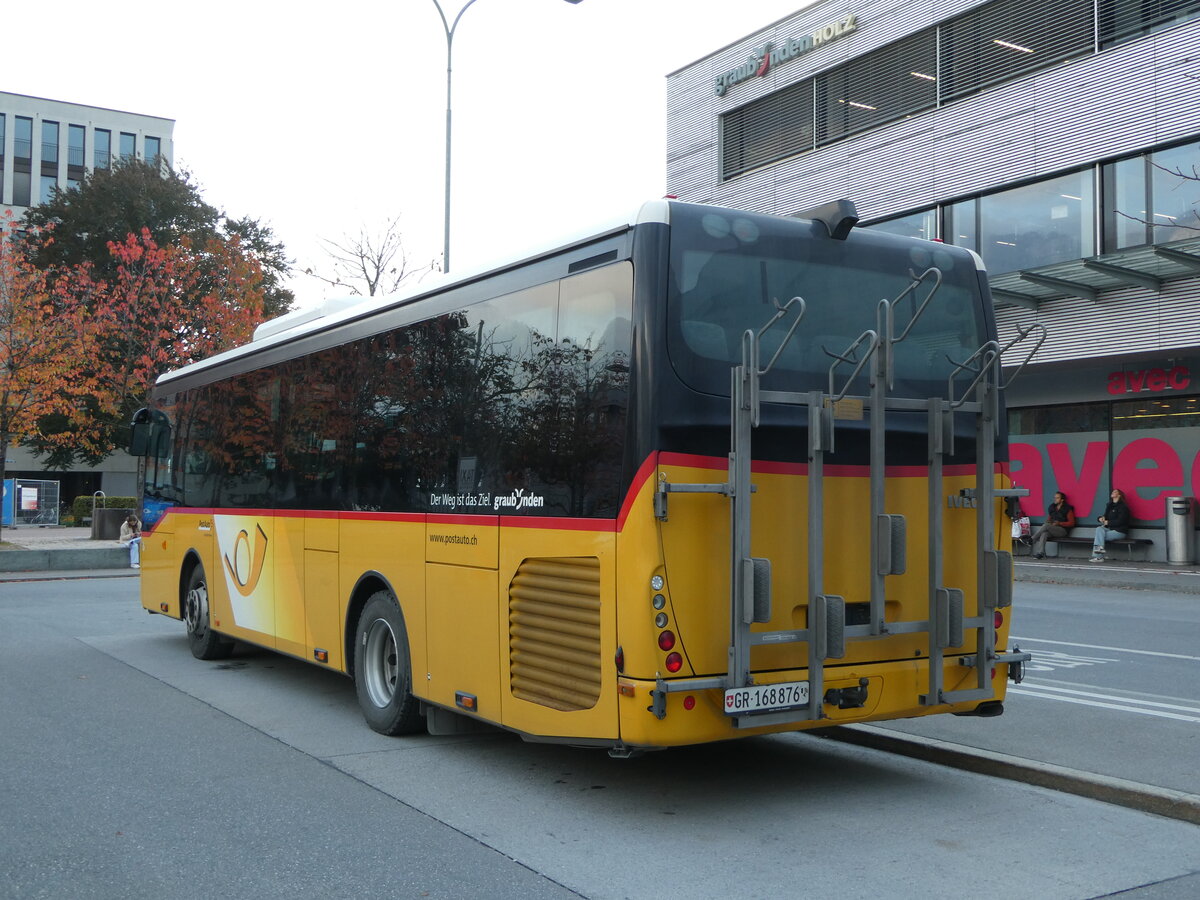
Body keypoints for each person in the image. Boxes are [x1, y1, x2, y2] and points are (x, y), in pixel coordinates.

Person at [1031, 491, 1075, 558]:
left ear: (1062, 500)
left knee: (1046, 526)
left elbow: (1072, 523)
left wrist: (1059, 523)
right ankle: (1041, 553)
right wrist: (1049, 522)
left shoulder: (1067, 508)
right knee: (1044, 533)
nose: (1055, 499)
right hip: (1053, 529)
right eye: (1055, 498)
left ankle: (1032, 539)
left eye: (1057, 498)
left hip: (1063, 531)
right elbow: (1049, 519)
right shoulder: (1052, 507)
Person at [1091, 488, 1131, 562]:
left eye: (1115, 492)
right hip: (1109, 529)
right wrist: (1100, 518)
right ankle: (1099, 556)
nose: (1112, 492)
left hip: (1119, 531)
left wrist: (1108, 522)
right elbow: (1105, 516)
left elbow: (1121, 521)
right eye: (1112, 491)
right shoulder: (1109, 505)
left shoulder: (1123, 507)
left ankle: (1099, 557)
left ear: (1119, 495)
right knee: (1099, 529)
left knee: (1099, 537)